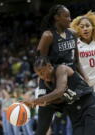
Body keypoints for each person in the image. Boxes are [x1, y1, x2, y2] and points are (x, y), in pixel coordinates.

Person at [25, 56, 95, 135]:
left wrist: (35, 101)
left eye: (43, 72)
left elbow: (60, 91)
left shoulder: (61, 69)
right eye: (39, 74)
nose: (42, 76)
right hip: (76, 112)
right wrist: (46, 102)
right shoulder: (47, 84)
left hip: (91, 104)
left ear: (49, 66)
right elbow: (60, 99)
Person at [35, 4, 80, 135]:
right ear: (57, 18)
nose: (70, 19)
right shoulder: (48, 36)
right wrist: (47, 83)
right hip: (50, 84)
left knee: (79, 126)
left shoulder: (73, 34)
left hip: (69, 84)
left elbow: (77, 62)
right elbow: (39, 63)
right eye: (66, 16)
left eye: (70, 16)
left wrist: (85, 80)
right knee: (42, 129)